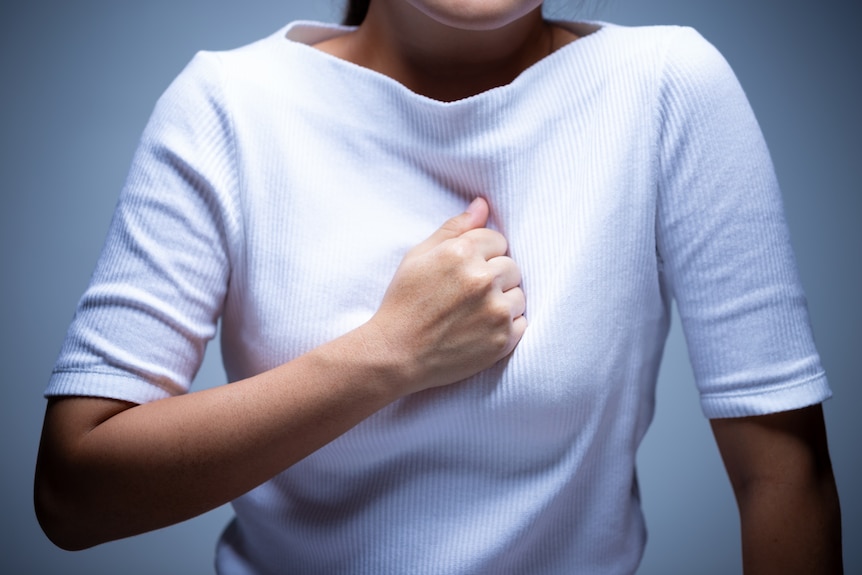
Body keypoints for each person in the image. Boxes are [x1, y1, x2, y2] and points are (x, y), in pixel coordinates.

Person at [34, 0, 843, 573]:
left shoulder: (668, 86)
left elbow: (785, 477)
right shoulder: (227, 107)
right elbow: (74, 493)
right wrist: (390, 353)